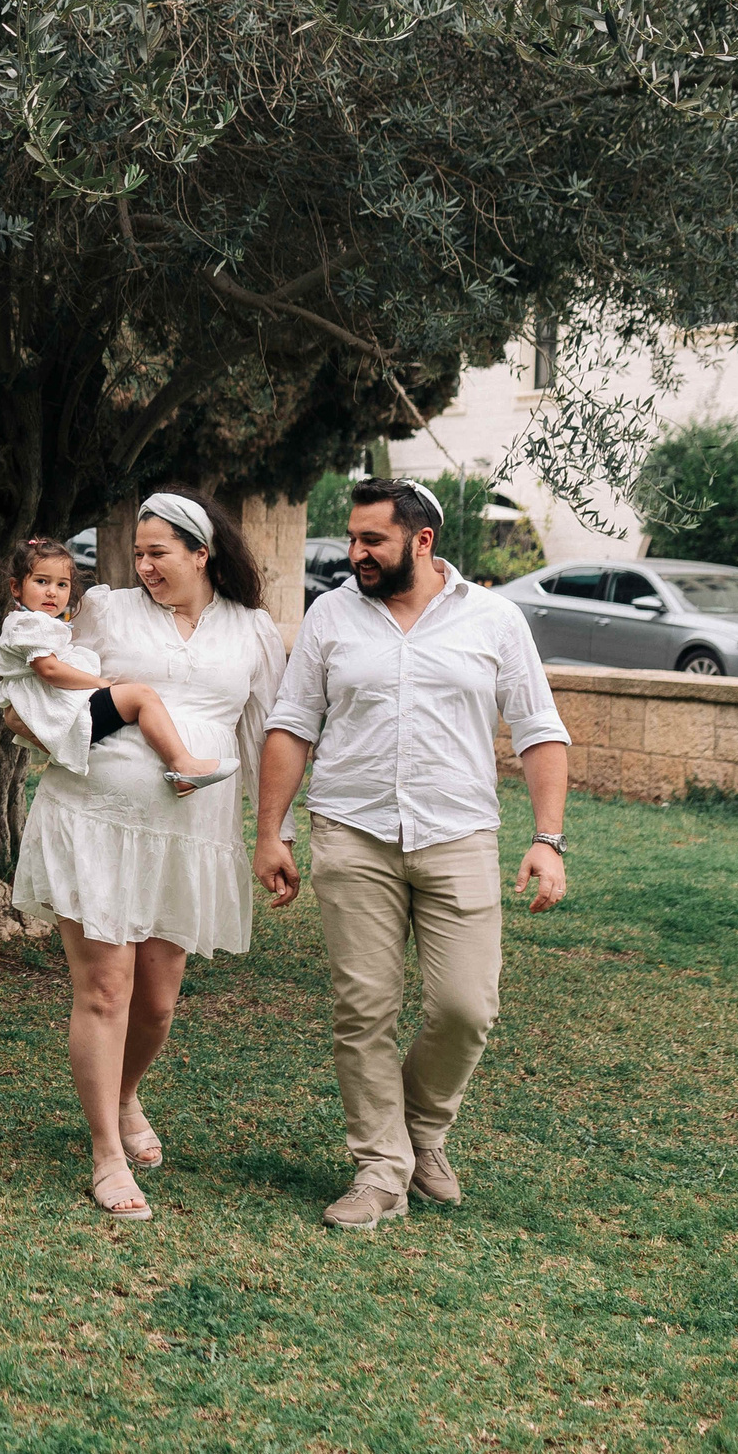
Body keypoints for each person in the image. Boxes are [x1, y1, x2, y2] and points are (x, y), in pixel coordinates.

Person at [255, 477, 571, 1231]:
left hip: (457, 834)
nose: (355, 553)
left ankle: (420, 1129)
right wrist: (272, 829)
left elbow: (539, 729)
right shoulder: (332, 614)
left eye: (373, 541)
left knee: (467, 1006)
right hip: (352, 830)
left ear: (422, 542)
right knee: (363, 1007)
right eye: (354, 538)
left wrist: (547, 838)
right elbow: (293, 723)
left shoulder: (493, 618)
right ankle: (380, 1168)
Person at [10, 491, 286, 1221]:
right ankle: (105, 1150)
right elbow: (44, 691)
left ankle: (127, 1091)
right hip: (97, 818)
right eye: (138, 552)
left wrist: (271, 833)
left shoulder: (254, 631)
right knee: (106, 989)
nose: (144, 565)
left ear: (203, 551)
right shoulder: (104, 608)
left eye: (158, 552)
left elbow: (263, 739)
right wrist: (33, 722)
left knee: (158, 1002)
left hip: (192, 840)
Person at [0, 538, 241, 794]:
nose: (52, 592)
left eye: (62, 584)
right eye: (41, 581)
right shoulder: (28, 624)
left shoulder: (35, 623)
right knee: (142, 695)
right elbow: (50, 670)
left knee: (134, 697)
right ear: (16, 587)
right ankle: (183, 764)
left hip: (51, 709)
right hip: (53, 711)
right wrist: (99, 683)